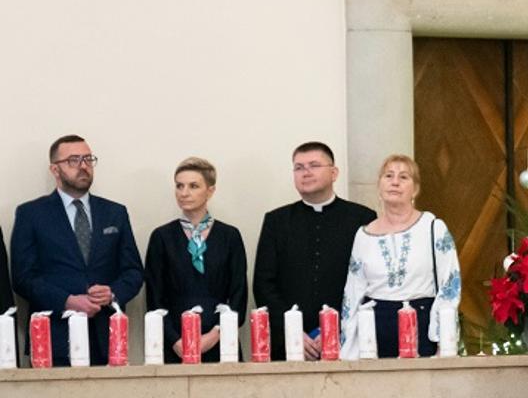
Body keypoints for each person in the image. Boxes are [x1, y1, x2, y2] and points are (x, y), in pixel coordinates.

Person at [9, 135, 143, 366]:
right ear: (55, 169)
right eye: (74, 160)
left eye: (88, 159)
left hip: (107, 339)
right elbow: (23, 277)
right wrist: (67, 301)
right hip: (54, 340)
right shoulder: (31, 214)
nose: (83, 166)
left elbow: (133, 271)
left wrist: (112, 293)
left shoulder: (115, 213)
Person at [254, 142, 377, 360]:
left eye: (314, 165)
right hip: (289, 344)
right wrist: (291, 331)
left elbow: (372, 281)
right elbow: (263, 284)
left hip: (348, 340)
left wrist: (337, 329)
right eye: (299, 167)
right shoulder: (277, 221)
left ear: (334, 172)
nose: (306, 172)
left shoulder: (362, 218)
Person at [341, 154, 461, 358]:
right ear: (379, 185)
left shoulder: (433, 228)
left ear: (415, 189)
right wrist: (348, 345)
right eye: (388, 176)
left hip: (422, 323)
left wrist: (444, 340)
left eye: (404, 177)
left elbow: (450, 286)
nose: (395, 182)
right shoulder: (364, 235)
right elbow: (353, 292)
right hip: (374, 328)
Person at [144, 158, 248, 363]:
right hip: (174, 343)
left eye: (193, 186)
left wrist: (215, 334)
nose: (184, 193)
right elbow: (154, 298)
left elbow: (238, 294)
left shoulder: (230, 236)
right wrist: (175, 341)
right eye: (179, 186)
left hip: (222, 341)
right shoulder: (162, 237)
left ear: (210, 191)